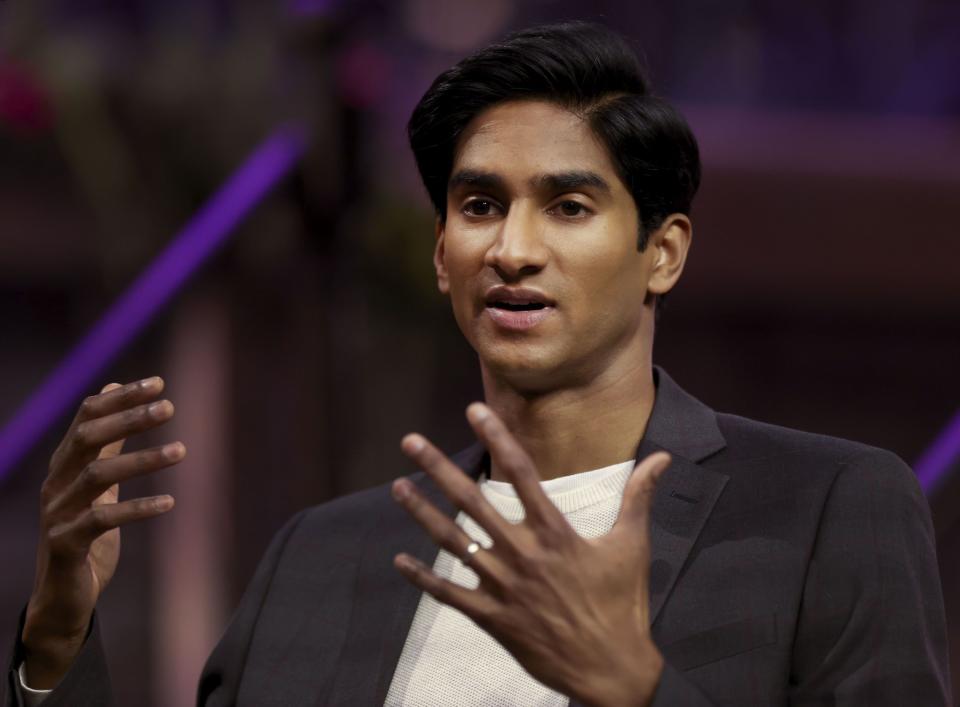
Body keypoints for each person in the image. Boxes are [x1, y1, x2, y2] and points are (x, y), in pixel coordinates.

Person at [5, 21, 951, 707]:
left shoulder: (826, 507)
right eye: (480, 205)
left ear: (663, 251)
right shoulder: (322, 556)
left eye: (569, 207)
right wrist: (55, 636)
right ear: (439, 251)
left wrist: (640, 692)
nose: (512, 248)